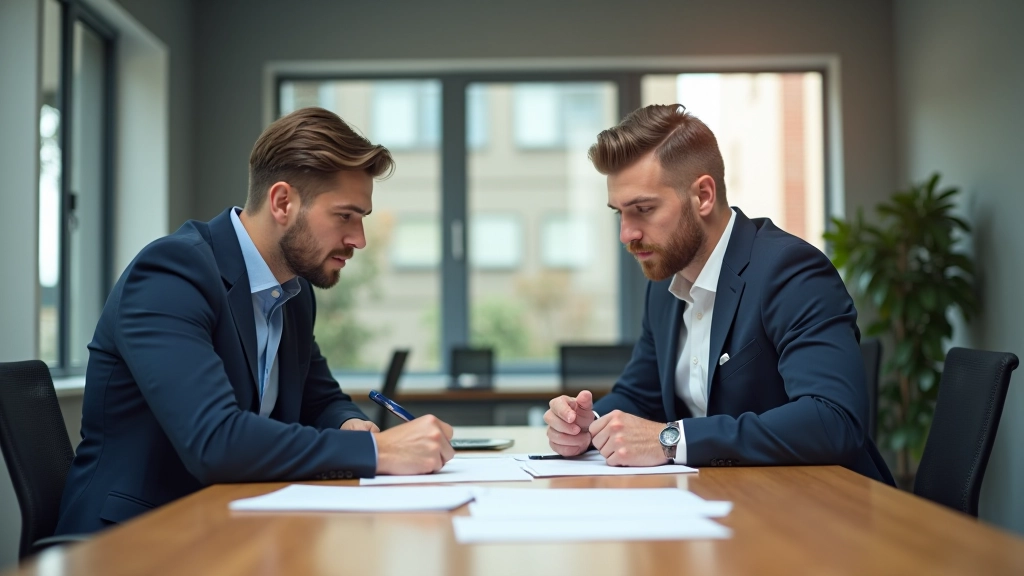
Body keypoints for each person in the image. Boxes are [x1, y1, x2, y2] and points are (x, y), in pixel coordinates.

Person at [56, 107, 455, 534]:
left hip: (226, 523)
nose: (358, 239)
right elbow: (214, 440)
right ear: (283, 202)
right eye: (345, 216)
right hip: (132, 539)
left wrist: (348, 423)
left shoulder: (294, 293)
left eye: (362, 219)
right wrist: (377, 450)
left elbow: (320, 401)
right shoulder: (171, 274)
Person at [544, 104, 894, 485]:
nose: (627, 234)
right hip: (727, 501)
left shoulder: (791, 271)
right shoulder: (663, 286)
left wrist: (670, 440)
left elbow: (833, 420)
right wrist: (587, 425)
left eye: (643, 209)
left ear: (704, 196)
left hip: (825, 511)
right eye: (620, 214)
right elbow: (640, 395)